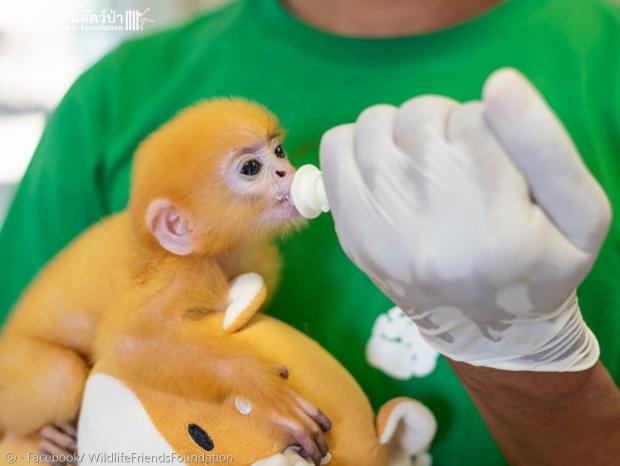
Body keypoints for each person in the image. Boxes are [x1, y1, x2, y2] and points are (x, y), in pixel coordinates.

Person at [0, 0, 619, 464]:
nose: (284, 174)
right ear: (177, 226)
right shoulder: (115, 98)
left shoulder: (601, 52)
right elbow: (129, 348)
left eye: (277, 152)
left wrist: (532, 359)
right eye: (251, 170)